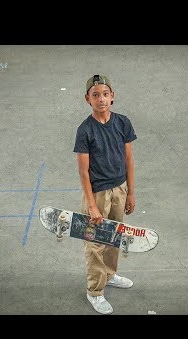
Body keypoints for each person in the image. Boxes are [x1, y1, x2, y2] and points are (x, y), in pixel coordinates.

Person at [73, 74, 137, 314]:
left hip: (120, 189)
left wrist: (130, 192)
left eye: (105, 94)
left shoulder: (122, 123)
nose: (101, 99)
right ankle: (95, 291)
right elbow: (83, 172)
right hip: (98, 193)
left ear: (112, 96)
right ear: (87, 99)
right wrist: (91, 205)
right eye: (95, 95)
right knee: (95, 243)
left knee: (114, 236)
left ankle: (109, 276)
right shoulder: (85, 130)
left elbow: (129, 160)